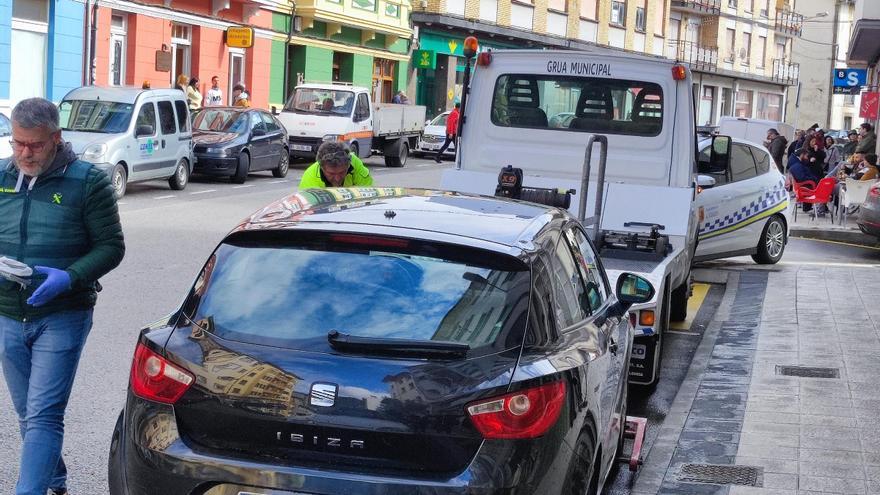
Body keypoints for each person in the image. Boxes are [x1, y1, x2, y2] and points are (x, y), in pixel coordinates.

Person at [0, 98, 125, 495]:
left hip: (63, 313)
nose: (24, 153)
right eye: (17, 143)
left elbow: (111, 247)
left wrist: (70, 277)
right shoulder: (1, 175)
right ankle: (54, 479)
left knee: (43, 414)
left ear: (56, 138)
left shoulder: (89, 181)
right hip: (6, 312)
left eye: (34, 145)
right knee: (27, 412)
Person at [299, 141, 373, 188]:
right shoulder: (310, 179)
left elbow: (369, 190)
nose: (337, 178)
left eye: (342, 172)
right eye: (331, 173)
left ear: (348, 164)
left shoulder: (354, 162)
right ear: (321, 167)